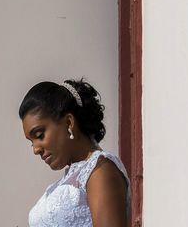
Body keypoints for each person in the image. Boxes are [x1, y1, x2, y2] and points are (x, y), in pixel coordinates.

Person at [19, 79, 130, 227]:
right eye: (31, 142)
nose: (36, 149)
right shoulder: (63, 183)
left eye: (39, 135)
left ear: (68, 123)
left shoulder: (100, 171)